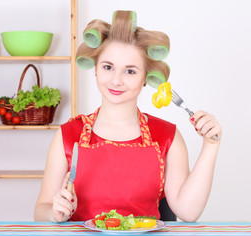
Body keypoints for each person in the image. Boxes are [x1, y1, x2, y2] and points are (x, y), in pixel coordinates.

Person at [34, 10, 222, 223]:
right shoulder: (68, 135)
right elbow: (41, 210)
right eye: (108, 67)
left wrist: (210, 145)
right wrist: (53, 212)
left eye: (130, 71)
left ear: (145, 77)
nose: (116, 80)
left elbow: (189, 212)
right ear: (96, 69)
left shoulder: (167, 136)